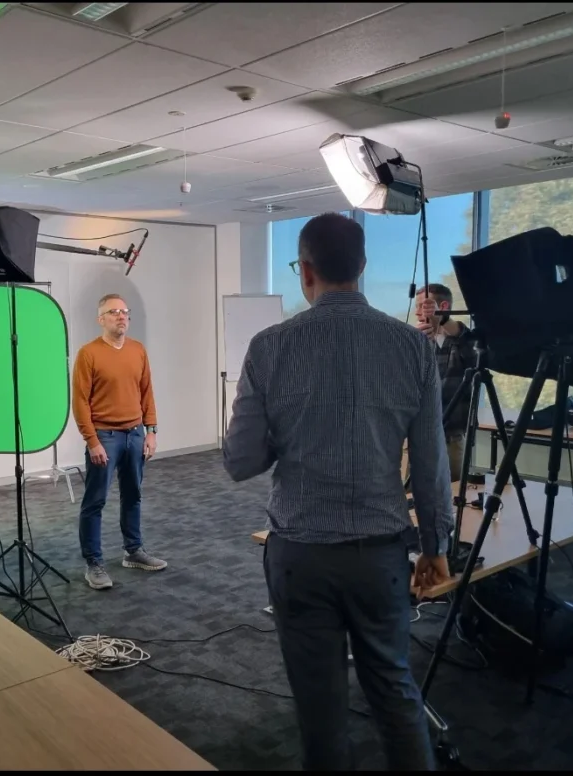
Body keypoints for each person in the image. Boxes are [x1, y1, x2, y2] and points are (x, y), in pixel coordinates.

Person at [222, 212, 453, 771]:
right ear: (362, 267)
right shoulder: (413, 347)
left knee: (320, 711)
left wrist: (288, 429)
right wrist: (436, 545)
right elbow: (430, 462)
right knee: (395, 692)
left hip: (300, 555)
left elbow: (240, 461)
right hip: (381, 556)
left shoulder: (269, 347)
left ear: (305, 271)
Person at [71, 293, 167, 590]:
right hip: (105, 437)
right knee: (95, 501)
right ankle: (93, 562)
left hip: (135, 434)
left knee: (133, 495)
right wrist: (92, 441)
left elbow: (147, 392)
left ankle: (133, 550)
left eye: (125, 311)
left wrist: (151, 431)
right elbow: (80, 401)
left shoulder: (138, 350)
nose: (121, 316)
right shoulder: (89, 354)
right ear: (101, 319)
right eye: (114, 312)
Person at [403, 283, 474, 484]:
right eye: (417, 306)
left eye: (423, 306)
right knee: (411, 493)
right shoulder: (417, 339)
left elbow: (468, 344)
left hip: (450, 437)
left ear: (442, 307)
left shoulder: (461, 341)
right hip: (416, 436)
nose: (417, 312)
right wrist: (413, 343)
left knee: (452, 491)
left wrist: (441, 319)